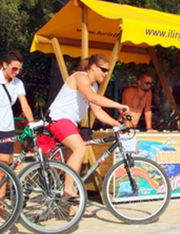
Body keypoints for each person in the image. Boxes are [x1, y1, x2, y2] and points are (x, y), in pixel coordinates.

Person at [47, 54, 130, 213]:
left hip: (70, 122)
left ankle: (70, 204)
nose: (106, 74)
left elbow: (97, 112)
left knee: (73, 158)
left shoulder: (94, 86)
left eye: (108, 71)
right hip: (59, 118)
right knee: (79, 148)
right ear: (92, 67)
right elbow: (92, 98)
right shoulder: (80, 77)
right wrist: (120, 105)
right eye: (104, 70)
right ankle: (68, 193)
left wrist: (117, 124)